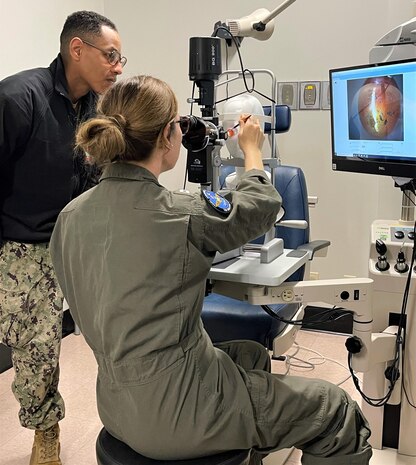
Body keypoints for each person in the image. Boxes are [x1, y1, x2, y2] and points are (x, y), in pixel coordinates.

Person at [49, 75, 372, 465]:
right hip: (179, 413)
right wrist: (252, 151)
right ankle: (237, 425)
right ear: (169, 137)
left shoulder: (69, 216)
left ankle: (247, 434)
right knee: (334, 408)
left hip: (116, 404)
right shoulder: (180, 213)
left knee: (250, 355)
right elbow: (261, 206)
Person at [0, 10, 126, 465]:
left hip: (83, 240)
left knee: (118, 329)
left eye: (120, 58)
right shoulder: (18, 98)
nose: (118, 67)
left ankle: (133, 418)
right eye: (111, 56)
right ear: (78, 49)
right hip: (26, 246)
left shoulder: (100, 108)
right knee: (36, 348)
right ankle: (44, 430)